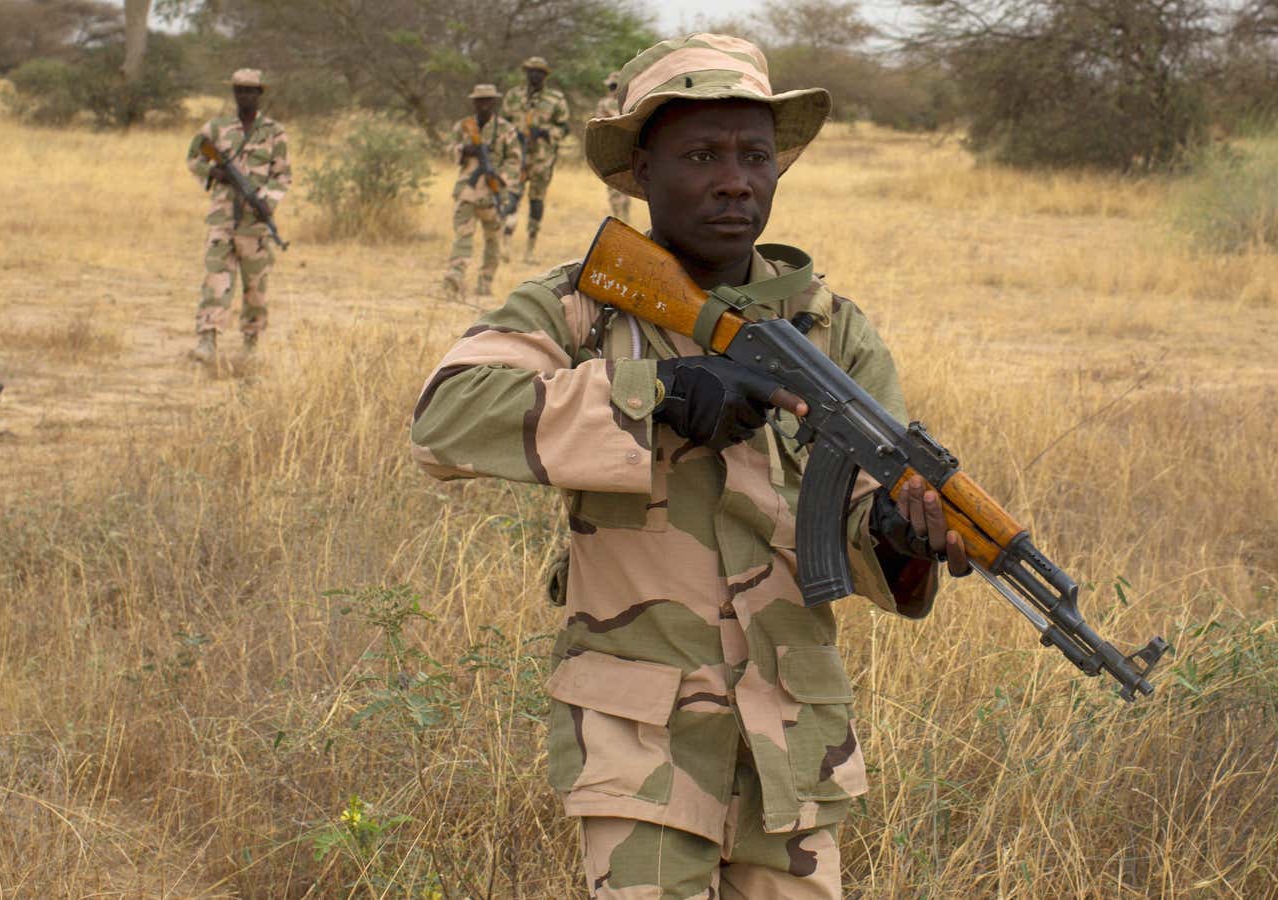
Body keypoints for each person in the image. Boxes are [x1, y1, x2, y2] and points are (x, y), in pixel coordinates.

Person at [410, 34, 969, 898]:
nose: (735, 180)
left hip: (796, 739)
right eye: (701, 155)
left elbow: (861, 518)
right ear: (638, 173)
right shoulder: (582, 307)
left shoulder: (833, 330)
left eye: (755, 156)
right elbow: (445, 418)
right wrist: (655, 390)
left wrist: (898, 534)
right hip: (643, 736)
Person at [186, 68, 292, 365]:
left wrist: (267, 202)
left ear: (259, 93)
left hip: (254, 225)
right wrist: (214, 172)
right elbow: (193, 159)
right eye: (239, 90)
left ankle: (251, 341)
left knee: (255, 285)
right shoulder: (216, 129)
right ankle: (207, 338)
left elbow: (283, 175)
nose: (244, 95)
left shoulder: (274, 133)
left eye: (250, 90)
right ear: (233, 93)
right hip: (222, 219)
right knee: (215, 278)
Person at [442, 83, 523, 302]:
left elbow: (515, 161)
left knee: (493, 241)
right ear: (474, 102)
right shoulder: (464, 126)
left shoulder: (506, 129)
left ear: (494, 102)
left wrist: (499, 177)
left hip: (493, 193)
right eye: (480, 100)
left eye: (488, 100)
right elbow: (448, 149)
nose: (484, 104)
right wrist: (464, 150)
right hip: (467, 191)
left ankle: (485, 284)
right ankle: (453, 283)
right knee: (463, 237)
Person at [500, 55, 570, 263]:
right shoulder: (514, 96)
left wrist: (545, 133)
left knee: (536, 201)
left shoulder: (556, 99)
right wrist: (513, 135)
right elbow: (502, 124)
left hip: (542, 160)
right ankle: (505, 244)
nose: (534, 74)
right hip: (516, 157)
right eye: (531, 70)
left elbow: (564, 128)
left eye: (539, 71)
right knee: (511, 197)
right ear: (526, 73)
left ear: (545, 75)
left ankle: (530, 249)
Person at [594, 72, 632, 222]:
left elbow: (598, 123)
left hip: (615, 148)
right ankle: (623, 219)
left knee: (615, 185)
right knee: (626, 186)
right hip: (627, 147)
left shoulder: (604, 103)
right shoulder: (631, 102)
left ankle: (620, 220)